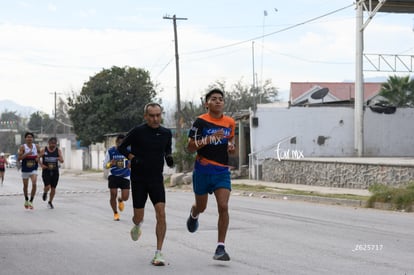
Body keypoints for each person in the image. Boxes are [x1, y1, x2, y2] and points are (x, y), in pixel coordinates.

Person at [118, 102, 174, 266]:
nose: (155, 119)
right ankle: (137, 225)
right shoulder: (137, 131)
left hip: (156, 179)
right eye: (152, 116)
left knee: (161, 213)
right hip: (139, 180)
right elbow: (121, 147)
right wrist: (133, 158)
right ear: (146, 116)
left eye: (158, 115)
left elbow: (167, 149)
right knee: (138, 216)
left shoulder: (166, 133)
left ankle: (159, 253)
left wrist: (169, 157)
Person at [186, 88, 236, 261]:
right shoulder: (200, 122)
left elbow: (230, 139)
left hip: (221, 171)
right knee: (202, 207)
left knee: (223, 206)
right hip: (202, 170)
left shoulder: (230, 122)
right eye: (213, 99)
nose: (218, 101)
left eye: (220, 99)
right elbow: (190, 147)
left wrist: (231, 146)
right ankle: (194, 214)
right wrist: (209, 138)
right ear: (206, 103)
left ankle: (220, 247)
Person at [104, 134, 130, 221]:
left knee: (126, 197)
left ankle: (120, 199)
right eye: (119, 143)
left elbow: (132, 162)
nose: (121, 144)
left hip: (125, 176)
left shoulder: (129, 151)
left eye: (123, 143)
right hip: (113, 175)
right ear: (116, 142)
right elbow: (105, 165)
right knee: (113, 194)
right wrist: (110, 164)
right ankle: (115, 213)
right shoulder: (111, 151)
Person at [39, 137, 64, 209]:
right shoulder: (44, 150)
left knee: (53, 188)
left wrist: (59, 158)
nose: (53, 145)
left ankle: (50, 202)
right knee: (47, 186)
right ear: (49, 143)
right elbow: (37, 158)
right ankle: (45, 192)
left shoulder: (58, 150)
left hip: (55, 171)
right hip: (46, 171)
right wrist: (41, 165)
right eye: (52, 143)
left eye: (55, 144)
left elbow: (62, 160)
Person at [18, 132, 41, 210]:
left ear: (33, 138)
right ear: (25, 138)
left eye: (31, 137)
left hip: (33, 168)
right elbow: (19, 158)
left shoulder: (36, 146)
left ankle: (31, 201)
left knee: (34, 183)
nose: (29, 138)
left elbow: (40, 154)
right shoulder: (22, 147)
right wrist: (27, 153)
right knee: (25, 186)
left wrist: (38, 158)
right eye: (28, 137)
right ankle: (26, 199)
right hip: (25, 169)